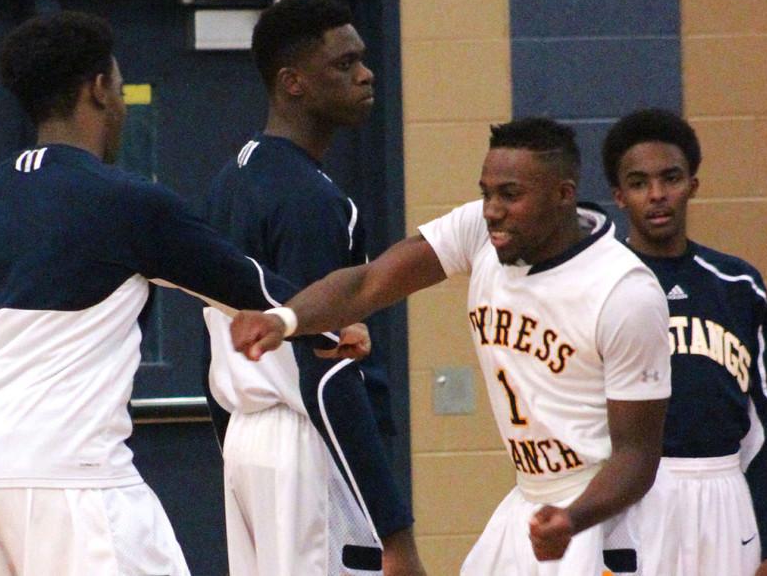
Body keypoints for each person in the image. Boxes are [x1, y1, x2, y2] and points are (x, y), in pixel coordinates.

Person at [0, 11, 360, 575]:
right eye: (118, 85)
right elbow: (251, 286)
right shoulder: (128, 203)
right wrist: (333, 323)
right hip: (72, 484)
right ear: (99, 90)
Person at [230, 117, 682, 575]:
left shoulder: (625, 293)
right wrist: (284, 318)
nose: (491, 210)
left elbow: (637, 458)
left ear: (563, 195)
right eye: (487, 193)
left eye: (510, 195)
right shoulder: (478, 231)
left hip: (603, 514)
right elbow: (368, 283)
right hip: (529, 500)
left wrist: (573, 519)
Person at [201, 0, 423, 576]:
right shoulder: (311, 202)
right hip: (306, 446)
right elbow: (327, 372)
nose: (365, 73)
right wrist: (395, 531)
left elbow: (214, 347)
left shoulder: (231, 181)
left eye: (364, 59)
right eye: (344, 63)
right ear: (292, 83)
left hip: (247, 451)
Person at [603, 108, 767, 576]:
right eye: (640, 183)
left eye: (671, 178)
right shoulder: (598, 283)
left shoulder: (737, 284)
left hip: (724, 489)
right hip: (633, 496)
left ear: (693, 184)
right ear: (619, 196)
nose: (658, 194)